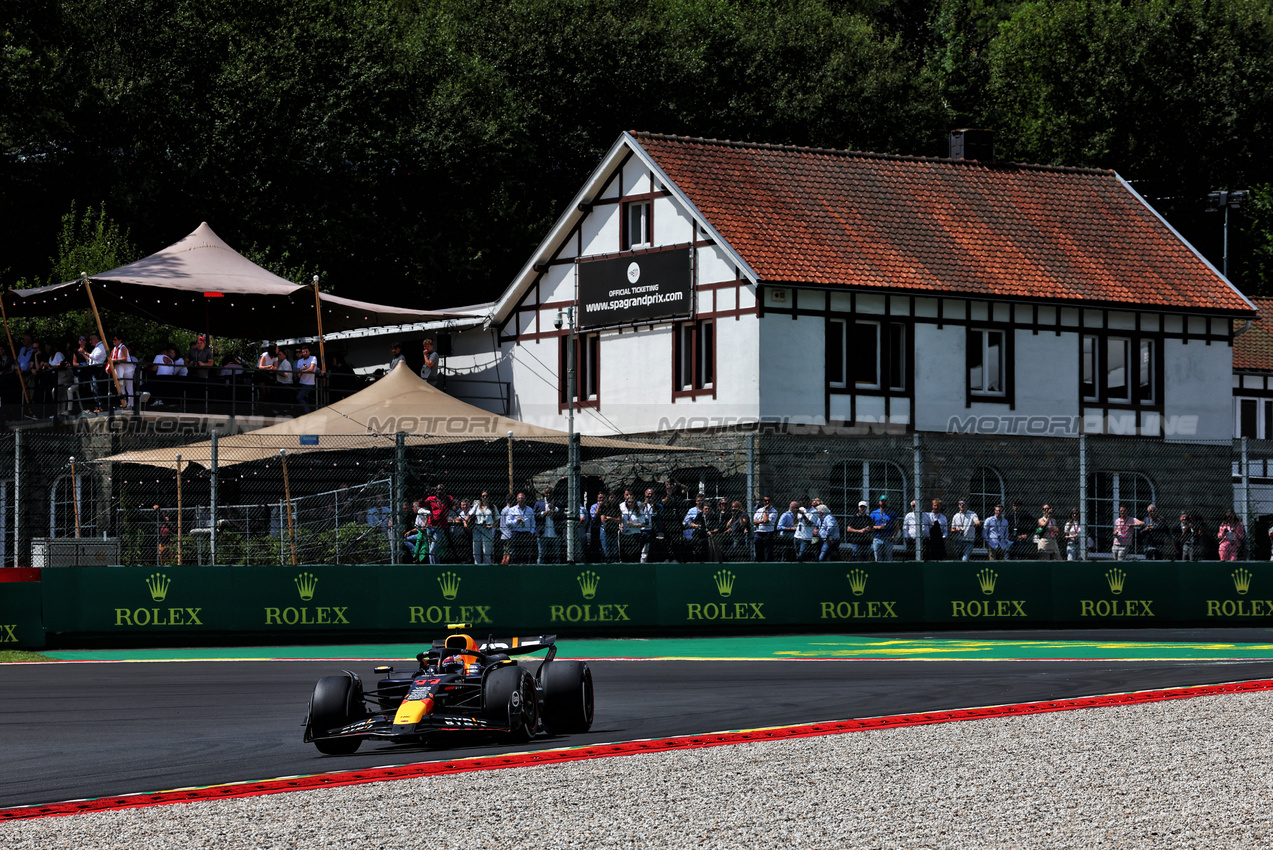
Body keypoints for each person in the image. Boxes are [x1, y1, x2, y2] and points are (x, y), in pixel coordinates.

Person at [424, 485, 455, 565]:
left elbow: (452, 504)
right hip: (430, 526)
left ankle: (433, 567)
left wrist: (443, 496)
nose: (439, 491)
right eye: (438, 490)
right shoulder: (431, 498)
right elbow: (424, 504)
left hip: (440, 527)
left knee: (432, 550)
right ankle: (437, 564)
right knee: (434, 550)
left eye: (441, 490)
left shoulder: (448, 498)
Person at [619, 490, 650, 563]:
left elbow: (643, 524)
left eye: (632, 502)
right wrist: (621, 526)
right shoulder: (624, 510)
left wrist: (633, 525)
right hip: (625, 535)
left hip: (635, 534)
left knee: (634, 555)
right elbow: (621, 520)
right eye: (629, 502)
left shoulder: (639, 511)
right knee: (625, 556)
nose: (630, 504)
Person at [106, 334, 136, 409]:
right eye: (113, 339)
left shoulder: (123, 347)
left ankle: (130, 404)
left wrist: (115, 360)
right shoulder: (115, 349)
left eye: (115, 339)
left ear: (120, 340)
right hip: (120, 370)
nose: (114, 341)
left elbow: (124, 358)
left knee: (129, 387)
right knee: (121, 387)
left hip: (128, 370)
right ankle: (124, 404)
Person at [534, 488, 563, 564]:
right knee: (541, 556)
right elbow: (533, 515)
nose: (548, 495)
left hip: (555, 534)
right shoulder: (539, 503)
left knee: (556, 556)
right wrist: (543, 513)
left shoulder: (558, 503)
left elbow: (562, 514)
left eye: (550, 493)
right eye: (547, 493)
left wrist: (554, 509)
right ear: (544, 494)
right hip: (543, 534)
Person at [506, 491, 536, 563]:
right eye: (519, 498)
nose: (521, 500)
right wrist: (516, 521)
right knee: (515, 554)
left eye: (522, 498)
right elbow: (507, 522)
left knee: (526, 554)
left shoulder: (529, 509)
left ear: (525, 499)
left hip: (526, 534)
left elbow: (533, 522)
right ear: (517, 499)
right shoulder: (512, 510)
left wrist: (531, 532)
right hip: (516, 534)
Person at [468, 492, 496, 564]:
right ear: (481, 497)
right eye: (483, 496)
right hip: (477, 528)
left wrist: (492, 526)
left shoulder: (492, 507)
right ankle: (477, 564)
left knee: (486, 550)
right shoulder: (477, 506)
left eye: (486, 496)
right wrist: (465, 522)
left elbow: (497, 519)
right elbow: (470, 514)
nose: (485, 498)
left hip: (487, 528)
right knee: (476, 548)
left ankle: (486, 565)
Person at [869, 495, 897, 562]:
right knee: (878, 559)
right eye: (882, 501)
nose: (883, 503)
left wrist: (893, 537)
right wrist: (878, 527)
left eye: (885, 501)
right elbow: (869, 526)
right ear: (879, 502)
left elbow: (897, 526)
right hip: (877, 539)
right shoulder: (874, 513)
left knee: (888, 559)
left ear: (887, 502)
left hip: (888, 538)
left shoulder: (892, 513)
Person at [682, 494, 709, 562]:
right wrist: (693, 524)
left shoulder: (707, 509)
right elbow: (685, 522)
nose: (700, 502)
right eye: (698, 501)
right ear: (696, 502)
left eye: (702, 500)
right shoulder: (692, 510)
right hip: (695, 534)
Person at [295, 344, 319, 412]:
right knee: (304, 398)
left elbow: (311, 369)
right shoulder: (300, 361)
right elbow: (298, 375)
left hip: (309, 383)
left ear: (309, 352)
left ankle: (308, 412)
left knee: (299, 397)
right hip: (302, 382)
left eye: (306, 352)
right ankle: (306, 412)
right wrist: (303, 371)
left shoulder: (313, 358)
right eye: (303, 352)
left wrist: (302, 371)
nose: (305, 353)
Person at [752, 495, 777, 562]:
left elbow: (766, 520)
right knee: (758, 553)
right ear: (763, 501)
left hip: (768, 533)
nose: (767, 502)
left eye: (769, 500)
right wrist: (761, 521)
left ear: (771, 501)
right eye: (765, 501)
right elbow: (754, 521)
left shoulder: (774, 511)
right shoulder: (759, 510)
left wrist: (765, 511)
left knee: (767, 553)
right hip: (758, 533)